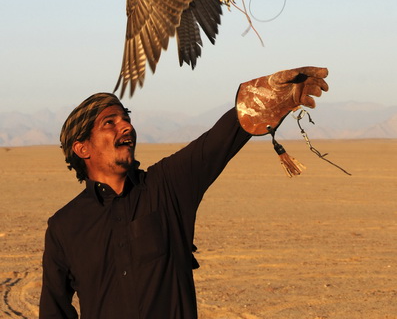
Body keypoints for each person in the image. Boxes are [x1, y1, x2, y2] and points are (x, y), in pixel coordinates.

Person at [39, 66, 329, 319]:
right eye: (110, 122)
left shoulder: (165, 188)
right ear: (82, 148)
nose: (126, 125)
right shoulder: (64, 227)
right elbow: (54, 310)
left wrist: (259, 100)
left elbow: (214, 145)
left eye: (125, 118)